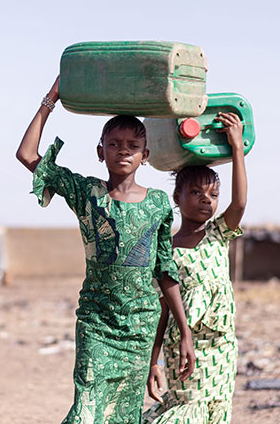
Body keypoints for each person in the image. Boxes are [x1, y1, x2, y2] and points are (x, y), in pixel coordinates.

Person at [16, 76, 196, 424]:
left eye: (132, 144)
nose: (123, 150)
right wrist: (50, 99)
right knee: (86, 412)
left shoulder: (159, 203)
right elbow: (26, 155)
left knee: (122, 417)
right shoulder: (86, 193)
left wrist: (184, 332)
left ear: (146, 155)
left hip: (139, 330)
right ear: (101, 152)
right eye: (114, 143)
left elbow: (165, 272)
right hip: (96, 324)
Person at [143, 111, 248, 424]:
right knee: (188, 413)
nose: (206, 200)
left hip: (222, 346)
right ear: (177, 197)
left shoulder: (218, 233)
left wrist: (237, 148)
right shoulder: (167, 250)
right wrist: (154, 360)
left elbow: (240, 204)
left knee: (216, 414)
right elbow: (164, 309)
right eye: (196, 192)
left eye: (213, 194)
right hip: (185, 347)